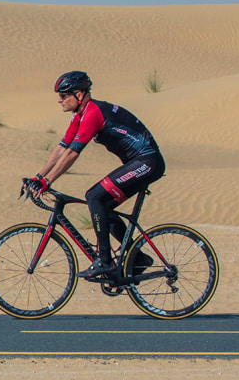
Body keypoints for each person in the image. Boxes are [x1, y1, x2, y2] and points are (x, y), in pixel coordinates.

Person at [23, 71, 165, 281]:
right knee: (102, 204)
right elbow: (62, 148)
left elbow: (72, 153)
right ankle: (138, 259)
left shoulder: (92, 113)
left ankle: (104, 261)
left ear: (79, 95)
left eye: (63, 95)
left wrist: (48, 181)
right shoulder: (80, 115)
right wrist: (39, 177)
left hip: (148, 161)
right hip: (139, 162)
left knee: (94, 196)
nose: (59, 100)